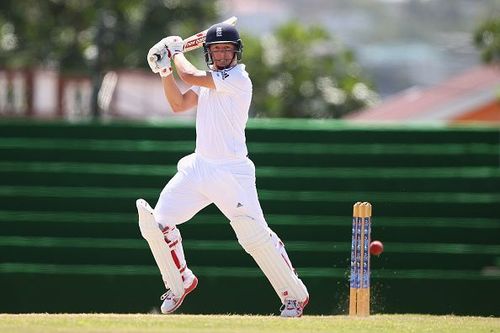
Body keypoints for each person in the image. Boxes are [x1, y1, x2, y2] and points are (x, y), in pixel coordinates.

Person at [138, 22, 309, 317]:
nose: (220, 55)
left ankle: (295, 295)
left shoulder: (238, 79)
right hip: (199, 167)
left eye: (226, 50)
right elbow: (178, 104)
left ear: (236, 53)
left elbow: (189, 73)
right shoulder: (207, 81)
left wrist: (175, 51)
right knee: (158, 223)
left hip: (232, 173)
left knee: (253, 235)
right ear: (208, 52)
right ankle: (180, 282)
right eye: (215, 50)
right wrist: (166, 70)